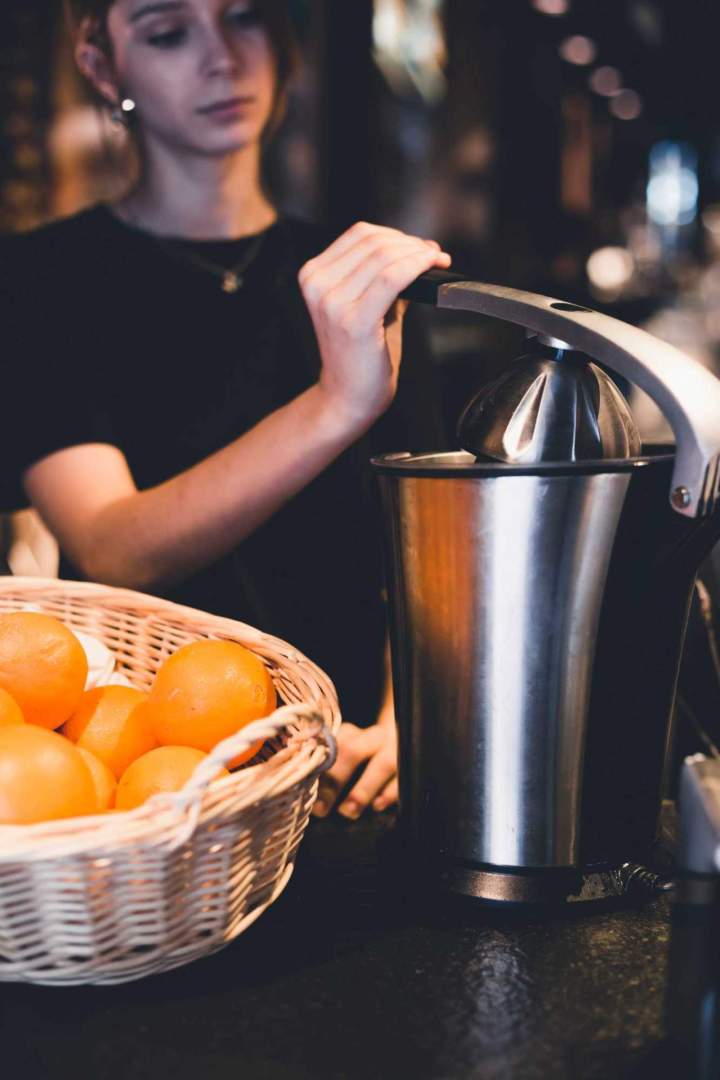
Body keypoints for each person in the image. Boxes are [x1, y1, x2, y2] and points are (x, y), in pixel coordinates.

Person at [0, 0, 452, 819]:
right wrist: (335, 404)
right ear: (102, 66)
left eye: (243, 18)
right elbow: (112, 547)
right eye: (168, 32)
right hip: (145, 783)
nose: (221, 58)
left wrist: (406, 720)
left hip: (347, 774)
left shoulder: (351, 278)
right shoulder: (41, 280)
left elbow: (423, 546)